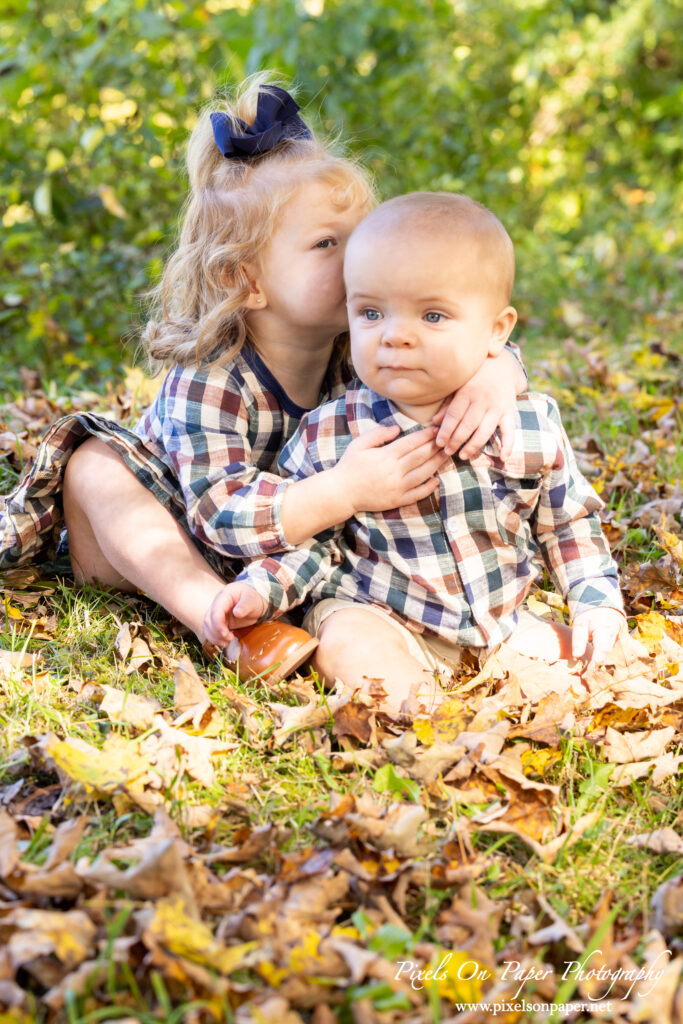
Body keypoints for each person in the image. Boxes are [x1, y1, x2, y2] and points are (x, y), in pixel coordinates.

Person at [0, 78, 527, 679]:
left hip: (287, 561)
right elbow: (217, 515)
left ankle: (271, 611)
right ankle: (221, 629)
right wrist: (343, 493)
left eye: (362, 237)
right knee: (95, 464)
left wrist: (497, 372)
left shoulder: (368, 345)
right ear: (245, 281)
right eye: (329, 244)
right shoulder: (212, 377)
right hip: (171, 543)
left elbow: (456, 346)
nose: (358, 257)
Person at [202, 192, 625, 713]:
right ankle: (428, 718)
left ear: (497, 331)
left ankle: (525, 683)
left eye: (432, 315)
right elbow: (311, 541)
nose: (396, 335)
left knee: (598, 660)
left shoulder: (529, 424)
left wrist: (595, 604)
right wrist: (260, 591)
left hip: (498, 622)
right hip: (377, 611)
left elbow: (567, 525)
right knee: (352, 646)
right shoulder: (331, 431)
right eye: (372, 312)